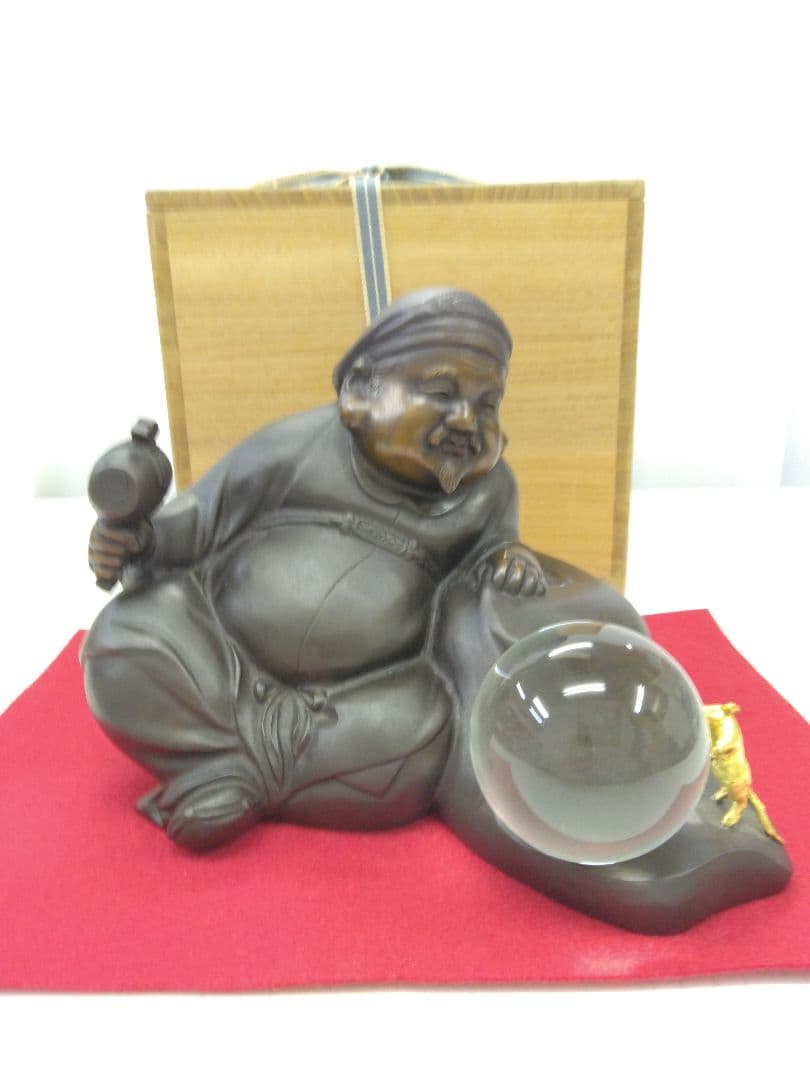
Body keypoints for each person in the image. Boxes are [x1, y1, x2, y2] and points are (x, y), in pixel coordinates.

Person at [83, 287, 787, 932]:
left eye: (487, 403)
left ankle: (240, 770)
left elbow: (494, 557)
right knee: (124, 641)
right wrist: (137, 540)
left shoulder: (486, 492)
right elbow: (195, 523)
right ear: (358, 393)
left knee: (430, 726)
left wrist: (507, 562)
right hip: (222, 656)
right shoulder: (294, 446)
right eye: (441, 393)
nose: (466, 420)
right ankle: (254, 765)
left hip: (358, 703)